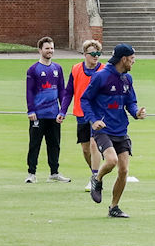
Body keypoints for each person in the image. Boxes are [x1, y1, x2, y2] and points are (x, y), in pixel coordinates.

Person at [82, 43, 147, 218]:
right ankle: (97, 179)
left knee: (124, 170)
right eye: (132, 59)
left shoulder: (127, 79)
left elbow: (130, 102)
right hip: (103, 129)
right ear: (124, 59)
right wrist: (93, 120)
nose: (134, 62)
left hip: (121, 129)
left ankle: (114, 207)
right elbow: (85, 100)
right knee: (111, 161)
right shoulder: (100, 77)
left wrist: (136, 112)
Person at [25, 37, 71, 183]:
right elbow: (29, 92)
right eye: (47, 48)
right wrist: (30, 110)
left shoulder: (57, 68)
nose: (50, 51)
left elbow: (62, 91)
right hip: (38, 114)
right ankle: (32, 173)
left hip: (54, 114)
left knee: (54, 144)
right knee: (34, 144)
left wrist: (62, 111)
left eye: (51, 48)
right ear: (40, 50)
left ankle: (54, 173)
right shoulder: (33, 70)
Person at [67, 40, 104, 191]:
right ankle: (94, 172)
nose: (96, 57)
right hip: (81, 114)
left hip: (98, 114)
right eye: (93, 54)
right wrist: (63, 111)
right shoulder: (76, 69)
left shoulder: (104, 70)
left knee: (94, 144)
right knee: (85, 149)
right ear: (85, 54)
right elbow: (69, 91)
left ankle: (95, 177)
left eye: (98, 54)